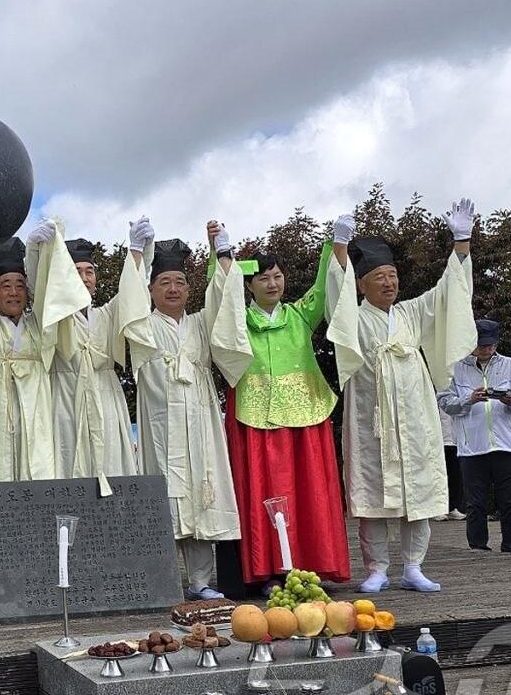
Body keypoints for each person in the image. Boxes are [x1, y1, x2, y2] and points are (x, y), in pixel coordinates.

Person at [331, 198, 477, 593]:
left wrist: (460, 242)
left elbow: (449, 294)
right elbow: (337, 298)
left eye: (393, 275)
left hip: (415, 418)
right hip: (371, 419)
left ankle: (414, 567)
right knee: (373, 495)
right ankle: (376, 569)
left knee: (419, 492)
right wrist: (339, 248)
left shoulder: (411, 313)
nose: (389, 282)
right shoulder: (354, 317)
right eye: (379, 276)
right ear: (361, 284)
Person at [224, 215, 356, 591]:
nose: (272, 283)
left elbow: (326, 287)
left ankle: (316, 563)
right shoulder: (237, 321)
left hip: (305, 415)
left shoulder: (300, 314)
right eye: (263, 277)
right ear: (249, 285)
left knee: (309, 492)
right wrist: (226, 255)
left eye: (278, 276)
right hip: (257, 416)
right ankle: (270, 570)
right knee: (266, 491)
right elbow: (221, 296)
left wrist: (337, 245)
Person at [129, 222, 252, 601]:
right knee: (165, 489)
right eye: (163, 281)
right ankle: (163, 579)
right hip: (159, 419)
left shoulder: (200, 323)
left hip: (199, 416)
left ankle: (200, 580)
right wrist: (137, 253)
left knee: (203, 490)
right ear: (150, 290)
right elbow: (126, 301)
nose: (172, 288)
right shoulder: (141, 325)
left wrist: (222, 252)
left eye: (179, 281)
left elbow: (225, 301)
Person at [0, 212, 89, 482]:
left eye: (19, 286)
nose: (14, 292)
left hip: (38, 414)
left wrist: (39, 251)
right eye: (5, 285)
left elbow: (49, 291)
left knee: (38, 474)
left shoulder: (38, 326)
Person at [40, 219, 154, 487]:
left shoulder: (107, 314)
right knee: (68, 463)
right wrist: (41, 248)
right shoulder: (54, 317)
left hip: (106, 397)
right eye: (76, 271)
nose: (83, 278)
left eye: (89, 271)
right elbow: (43, 284)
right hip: (67, 398)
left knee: (113, 462)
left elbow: (132, 293)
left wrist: (137, 249)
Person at [438, 319, 511, 554]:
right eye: (481, 345)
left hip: (506, 445)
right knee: (475, 504)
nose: (486, 349)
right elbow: (445, 402)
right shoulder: (455, 367)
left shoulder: (510, 365)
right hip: (472, 447)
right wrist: (468, 399)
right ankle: (478, 548)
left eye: (490, 345)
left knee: (510, 503)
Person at [432, 407, 468, 521]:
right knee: (439, 476)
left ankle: (452, 507)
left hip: (455, 440)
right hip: (439, 440)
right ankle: (437, 508)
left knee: (455, 476)